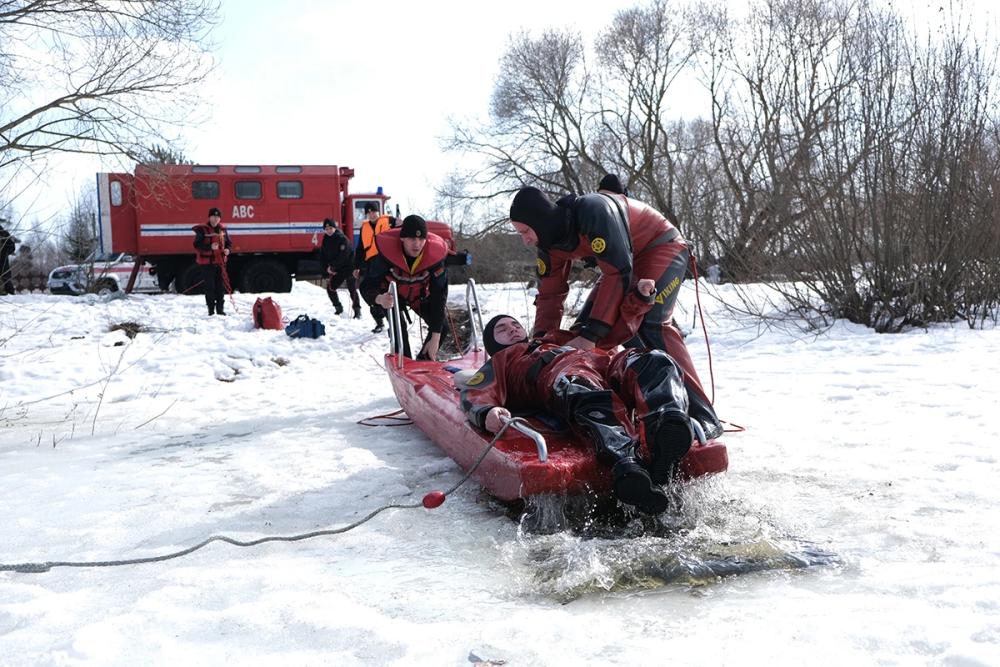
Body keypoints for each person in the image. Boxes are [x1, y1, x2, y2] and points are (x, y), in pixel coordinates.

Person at [508, 185, 723, 439]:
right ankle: (639, 404)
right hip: (622, 263)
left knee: (648, 323)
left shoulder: (594, 210)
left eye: (525, 231)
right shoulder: (548, 244)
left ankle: (703, 415)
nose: (525, 240)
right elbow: (549, 295)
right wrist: (541, 345)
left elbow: (618, 272)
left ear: (540, 221)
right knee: (584, 333)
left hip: (660, 246)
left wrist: (592, 335)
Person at [461, 313, 695, 514]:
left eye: (515, 325)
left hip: (605, 364)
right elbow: (475, 392)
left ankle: (665, 426)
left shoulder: (554, 339)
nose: (512, 329)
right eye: (502, 329)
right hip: (560, 375)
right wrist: (487, 412)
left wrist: (641, 297)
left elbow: (616, 327)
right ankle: (627, 464)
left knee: (656, 360)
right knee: (582, 388)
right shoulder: (501, 361)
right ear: (492, 343)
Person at [361, 215, 449, 361]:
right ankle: (404, 362)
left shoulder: (435, 258)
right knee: (399, 328)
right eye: (412, 238)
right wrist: (379, 299)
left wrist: (435, 337)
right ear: (402, 238)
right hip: (391, 299)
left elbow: (439, 295)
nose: (417, 244)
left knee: (442, 327)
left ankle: (424, 361)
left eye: (421, 239)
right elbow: (366, 286)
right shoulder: (385, 256)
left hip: (419, 297)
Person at [353, 203, 393, 333]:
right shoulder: (364, 228)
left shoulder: (389, 221)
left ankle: (393, 324)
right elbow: (360, 249)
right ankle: (379, 322)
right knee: (370, 293)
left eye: (374, 212)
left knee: (387, 294)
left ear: (378, 212)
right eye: (369, 213)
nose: (372, 214)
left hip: (387, 263)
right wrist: (356, 267)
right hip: (370, 265)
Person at [192, 207, 232, 316]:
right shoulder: (202, 230)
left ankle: (220, 310)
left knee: (220, 287)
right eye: (213, 217)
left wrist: (228, 250)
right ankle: (211, 310)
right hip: (207, 264)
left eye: (217, 217)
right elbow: (196, 244)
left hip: (220, 263)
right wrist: (209, 247)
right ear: (209, 217)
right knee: (210, 287)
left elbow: (229, 243)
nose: (215, 219)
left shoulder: (223, 230)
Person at [320, 218, 361, 318]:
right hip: (338, 269)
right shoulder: (325, 240)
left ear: (335, 228)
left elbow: (343, 256)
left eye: (330, 228)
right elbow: (323, 256)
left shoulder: (342, 239)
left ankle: (357, 311)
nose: (329, 231)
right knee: (331, 288)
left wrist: (333, 267)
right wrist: (326, 269)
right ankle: (338, 308)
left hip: (350, 267)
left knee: (352, 289)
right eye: (326, 229)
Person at [0, 222, 18, 295]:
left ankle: (10, 296)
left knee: (6, 280)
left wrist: (5, 252)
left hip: (3, 262)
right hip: (3, 262)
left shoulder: (4, 234)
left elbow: (12, 247)